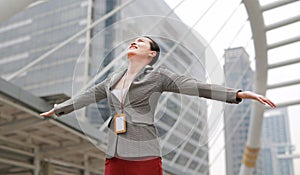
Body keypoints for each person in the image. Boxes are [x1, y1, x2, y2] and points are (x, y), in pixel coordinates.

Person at [40, 36, 276, 175]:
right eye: (134, 40)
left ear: (151, 54)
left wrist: (239, 93)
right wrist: (60, 109)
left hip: (145, 153)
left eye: (141, 42)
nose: (135, 42)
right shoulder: (112, 80)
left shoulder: (159, 76)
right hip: (115, 152)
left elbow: (196, 86)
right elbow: (88, 95)